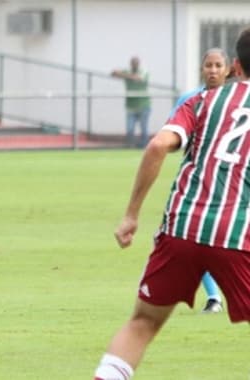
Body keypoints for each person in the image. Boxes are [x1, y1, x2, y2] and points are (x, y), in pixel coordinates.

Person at [94, 28, 250, 380]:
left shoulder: (201, 102)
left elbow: (156, 146)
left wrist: (131, 215)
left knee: (143, 323)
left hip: (180, 227)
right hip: (235, 234)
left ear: (235, 66)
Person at [168, 47, 231, 314]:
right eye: (209, 65)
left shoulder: (239, 100)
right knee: (195, 240)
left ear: (229, 69)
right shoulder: (189, 99)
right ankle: (214, 296)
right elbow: (172, 134)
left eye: (218, 65)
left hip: (233, 182)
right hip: (198, 184)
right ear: (202, 68)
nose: (213, 71)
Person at [111, 56, 151, 148]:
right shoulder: (128, 71)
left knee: (144, 129)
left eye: (136, 63)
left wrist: (124, 75)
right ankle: (131, 146)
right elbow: (113, 73)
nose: (134, 65)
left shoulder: (143, 71)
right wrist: (120, 73)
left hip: (143, 105)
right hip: (131, 106)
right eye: (133, 63)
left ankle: (145, 147)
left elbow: (138, 78)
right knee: (130, 129)